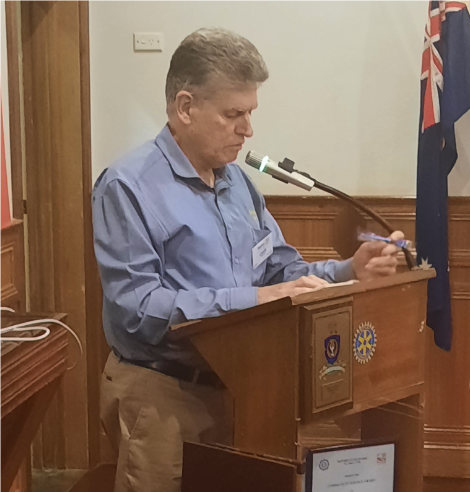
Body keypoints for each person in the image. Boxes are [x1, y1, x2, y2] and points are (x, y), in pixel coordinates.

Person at [92, 28, 402, 492]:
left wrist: (348, 271)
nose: (248, 129)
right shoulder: (127, 186)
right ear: (185, 107)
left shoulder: (237, 184)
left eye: (250, 113)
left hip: (246, 389)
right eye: (233, 114)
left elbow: (280, 271)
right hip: (164, 394)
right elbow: (137, 309)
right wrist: (254, 300)